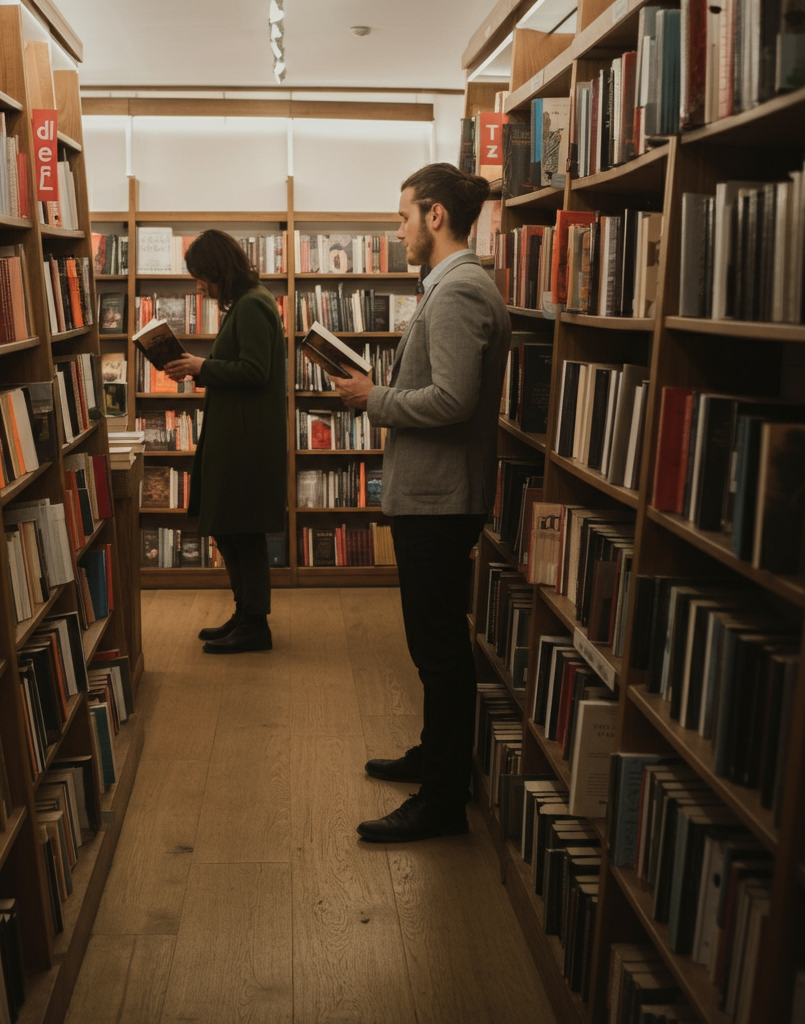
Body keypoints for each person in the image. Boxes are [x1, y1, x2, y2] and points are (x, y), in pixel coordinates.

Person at [332, 163, 511, 842]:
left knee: (437, 649)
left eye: (404, 216)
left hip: (440, 498)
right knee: (431, 644)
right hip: (434, 494)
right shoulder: (452, 287)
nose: (398, 229)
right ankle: (436, 759)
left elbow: (452, 400)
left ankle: (442, 798)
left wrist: (369, 399)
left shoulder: (461, 291)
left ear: (435, 216)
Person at [164, 229, 287, 653]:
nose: (199, 285)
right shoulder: (246, 304)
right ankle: (244, 614)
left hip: (245, 441)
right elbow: (240, 367)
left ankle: (255, 625)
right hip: (236, 435)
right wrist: (201, 369)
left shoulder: (253, 305)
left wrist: (202, 365)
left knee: (243, 531)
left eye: (202, 276)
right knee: (230, 530)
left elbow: (255, 371)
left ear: (220, 270)